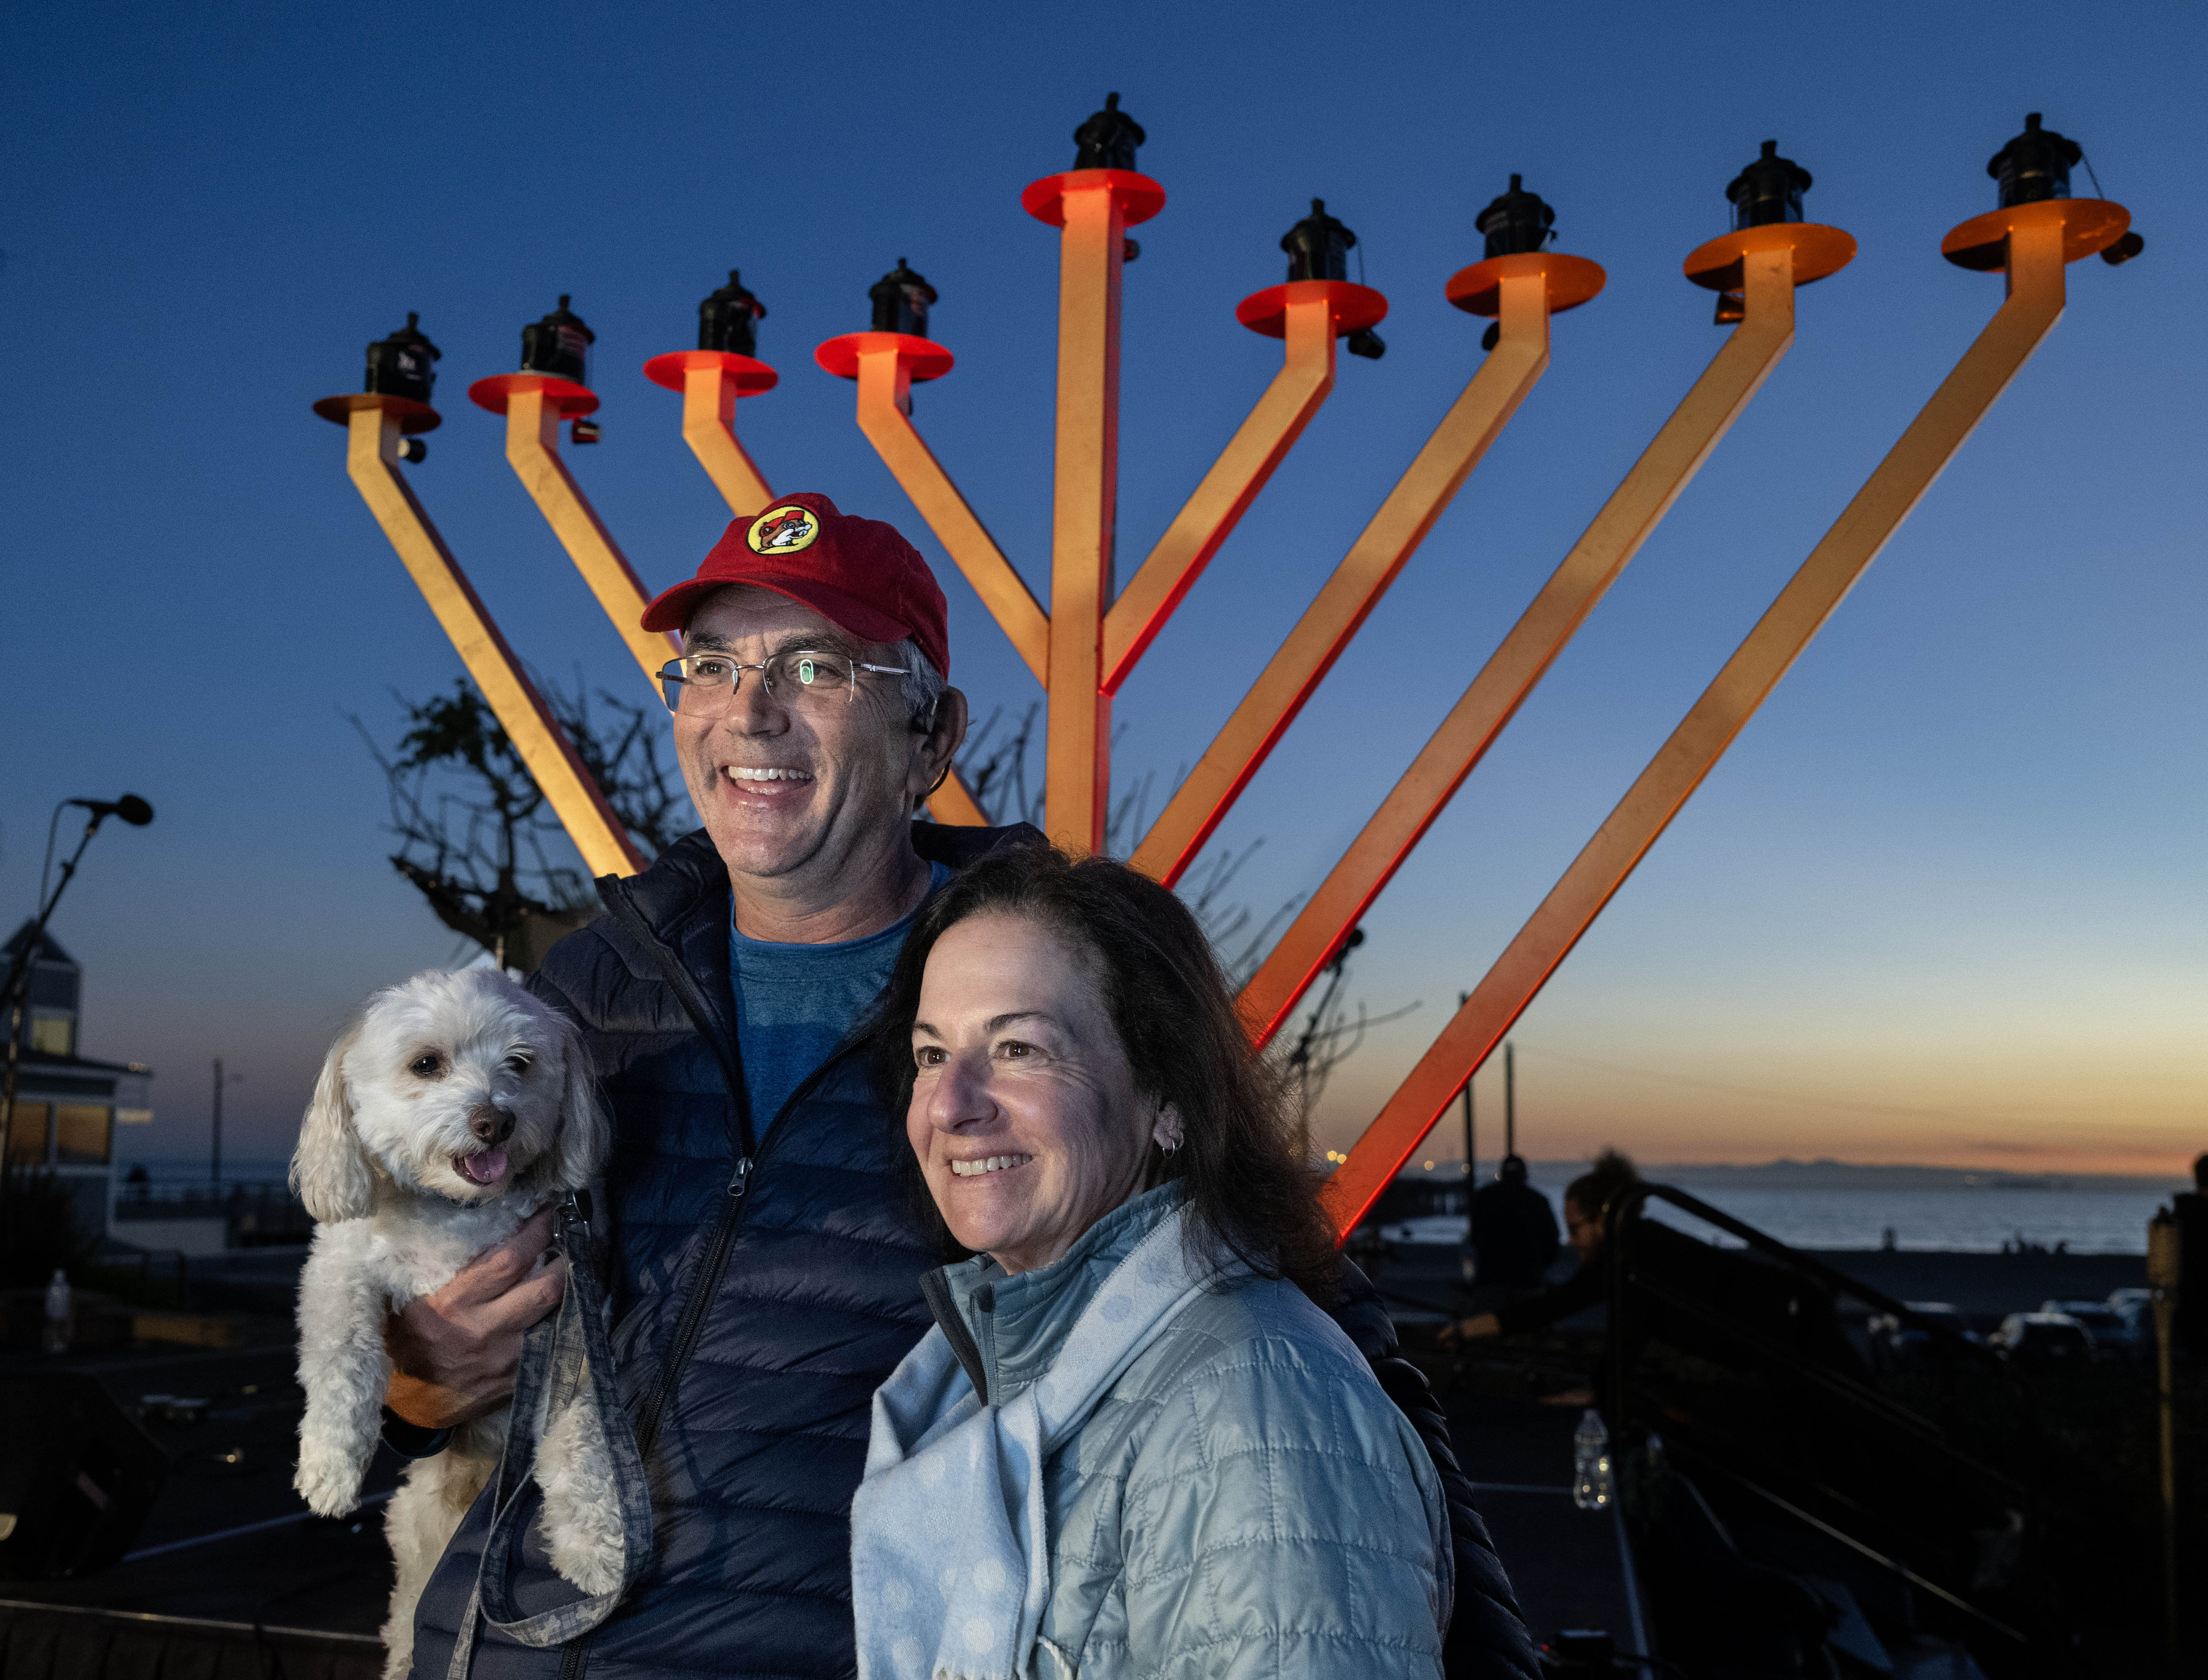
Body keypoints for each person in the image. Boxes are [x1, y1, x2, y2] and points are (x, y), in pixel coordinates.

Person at [377, 493, 1536, 1680]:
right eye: (710, 664)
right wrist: (403, 1383)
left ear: (932, 739)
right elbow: (395, 1286)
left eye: (814, 665)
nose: (749, 711)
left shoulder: (1041, 992)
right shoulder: (583, 992)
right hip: (491, 1646)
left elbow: (1309, 1367)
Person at [855, 846, 1450, 1678]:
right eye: (929, 1055)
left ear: (1166, 1097)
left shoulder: (1256, 1405)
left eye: (1019, 1048)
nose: (952, 1105)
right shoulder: (988, 1377)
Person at [1467, 1154, 1560, 1290]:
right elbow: (1552, 1241)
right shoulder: (1537, 1201)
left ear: (1502, 1173)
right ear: (1524, 1174)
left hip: (1491, 1278)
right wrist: (1537, 1266)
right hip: (1528, 1278)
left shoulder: (1485, 1198)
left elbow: (1475, 1235)